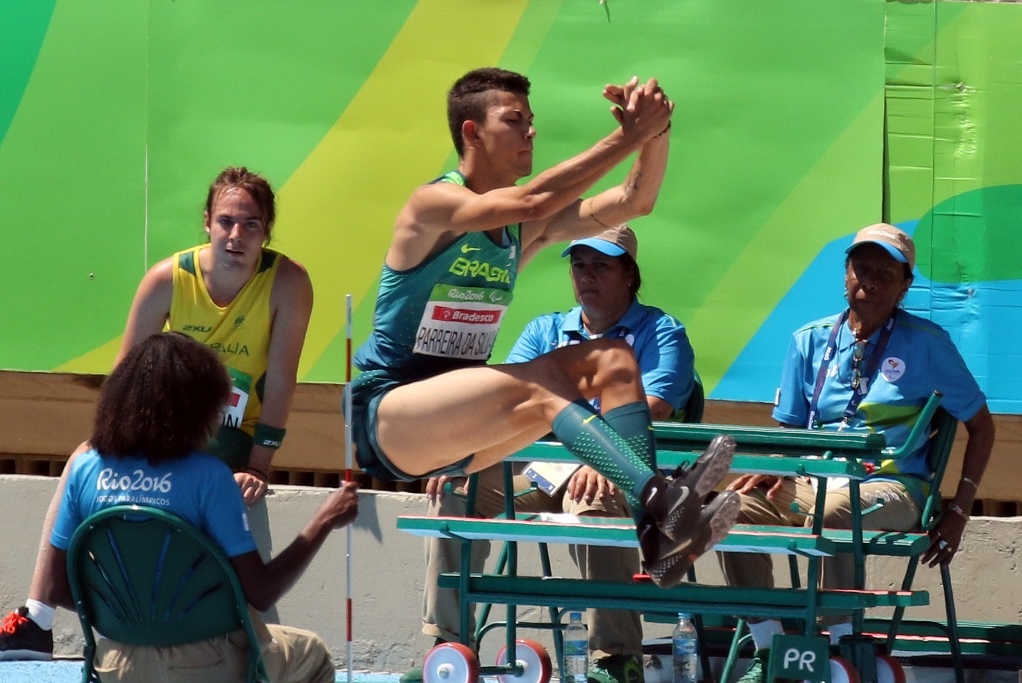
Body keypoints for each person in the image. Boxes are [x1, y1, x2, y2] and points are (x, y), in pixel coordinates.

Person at [346, 65, 739, 596]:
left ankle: (657, 534)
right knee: (544, 386)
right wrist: (628, 134)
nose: (531, 131)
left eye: (532, 121)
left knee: (615, 359)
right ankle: (662, 500)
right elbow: (534, 199)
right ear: (472, 132)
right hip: (391, 417)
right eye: (515, 121)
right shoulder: (433, 204)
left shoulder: (521, 230)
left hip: (464, 425)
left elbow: (635, 202)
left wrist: (657, 132)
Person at [0, 166, 314, 661]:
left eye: (250, 224)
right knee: (84, 456)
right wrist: (117, 445)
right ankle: (38, 616)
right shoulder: (167, 278)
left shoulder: (289, 282)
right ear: (207, 222)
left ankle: (235, 638)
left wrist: (258, 466)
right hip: (170, 434)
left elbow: (281, 379)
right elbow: (126, 381)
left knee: (236, 545)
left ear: (267, 231)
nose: (237, 235)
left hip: (233, 439)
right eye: (227, 221)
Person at [414, 225, 696, 683]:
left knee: (596, 498)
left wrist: (596, 455)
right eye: (578, 264)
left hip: (624, 472)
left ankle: (615, 657)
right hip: (540, 470)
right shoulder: (543, 330)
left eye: (601, 265)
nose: (587, 275)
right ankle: (449, 649)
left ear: (630, 275)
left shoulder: (662, 332)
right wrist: (463, 457)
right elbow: (505, 405)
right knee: (453, 491)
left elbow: (653, 410)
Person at [719, 224, 996, 683]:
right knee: (729, 508)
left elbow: (982, 427)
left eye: (883, 273)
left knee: (834, 510)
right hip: (810, 481)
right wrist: (772, 470)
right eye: (859, 268)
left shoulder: (927, 343)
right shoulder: (809, 339)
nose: (868, 280)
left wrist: (960, 510)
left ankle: (839, 645)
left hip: (893, 488)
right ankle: (768, 646)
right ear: (845, 274)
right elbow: (788, 431)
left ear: (905, 284)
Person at [40, 332, 358, 683]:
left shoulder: (86, 469)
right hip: (207, 664)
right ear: (198, 406)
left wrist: (129, 622)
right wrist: (323, 521)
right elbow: (262, 592)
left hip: (117, 663)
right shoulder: (209, 477)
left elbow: (56, 589)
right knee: (310, 653)